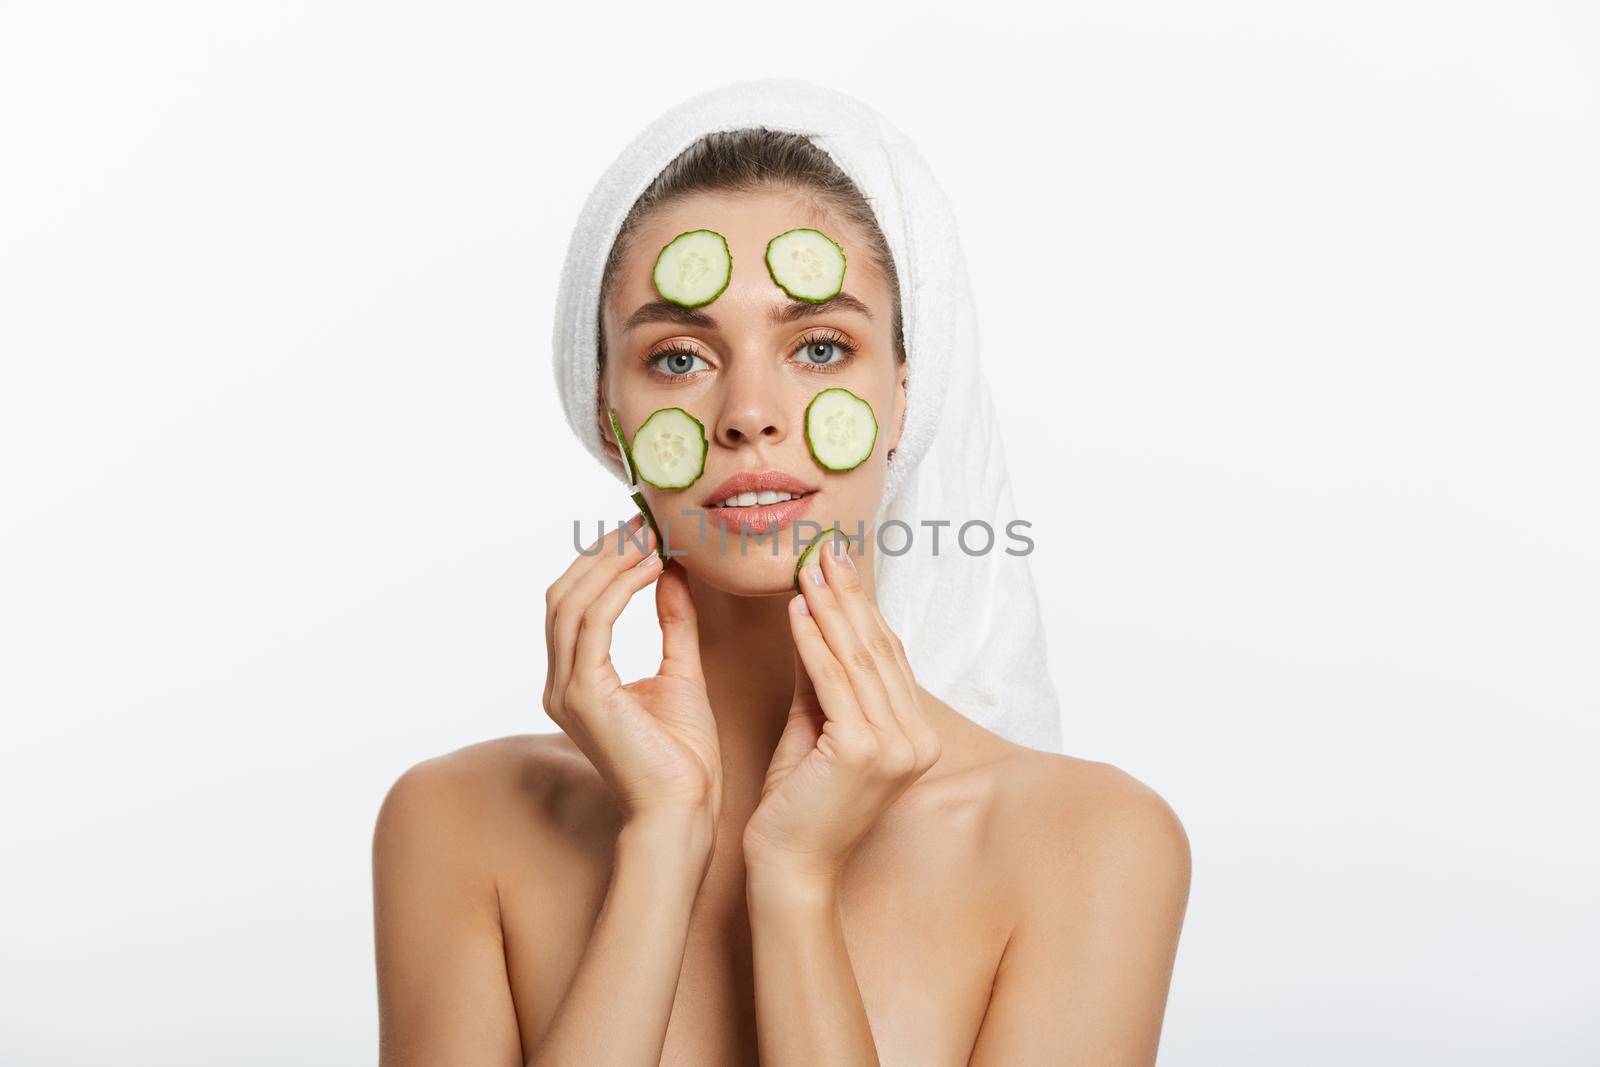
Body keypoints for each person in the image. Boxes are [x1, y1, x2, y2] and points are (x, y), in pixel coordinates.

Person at [373, 84, 1190, 1066]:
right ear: (609, 417)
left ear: (901, 394)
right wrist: (662, 839)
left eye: (817, 346)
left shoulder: (1091, 842)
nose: (749, 411)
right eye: (678, 357)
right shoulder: (456, 821)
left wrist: (793, 877)